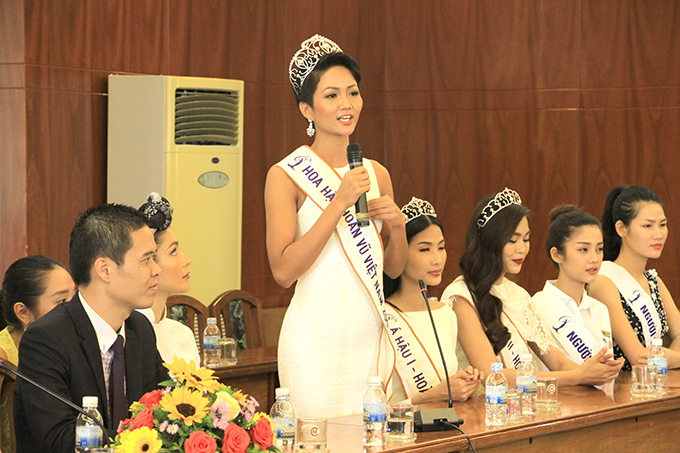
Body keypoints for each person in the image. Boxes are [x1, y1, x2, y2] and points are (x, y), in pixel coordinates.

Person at [266, 35, 407, 417]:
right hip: (313, 345)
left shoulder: (375, 172)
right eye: (332, 96)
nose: (346, 105)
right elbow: (282, 271)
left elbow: (393, 270)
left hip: (368, 340)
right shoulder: (286, 175)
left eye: (353, 93)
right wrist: (338, 204)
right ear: (307, 109)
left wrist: (398, 228)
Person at [14, 204, 170, 453]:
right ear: (104, 269)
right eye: (147, 259)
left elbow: (166, 401)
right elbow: (59, 437)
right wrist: (139, 443)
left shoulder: (139, 328)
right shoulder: (46, 339)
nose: (156, 270)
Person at [442, 188, 622, 387]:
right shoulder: (462, 296)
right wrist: (577, 376)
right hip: (487, 411)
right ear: (489, 240)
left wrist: (592, 371)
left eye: (526, 239)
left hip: (523, 408)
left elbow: (557, 362)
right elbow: (492, 376)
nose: (522, 248)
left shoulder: (520, 296)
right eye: (512, 240)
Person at [382, 197, 482, 404]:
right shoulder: (382, 318)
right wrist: (436, 395)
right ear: (399, 252)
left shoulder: (445, 313)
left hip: (445, 429)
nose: (437, 259)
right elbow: (374, 407)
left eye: (441, 247)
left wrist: (464, 383)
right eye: (425, 249)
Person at [589, 186, 680, 371]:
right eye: (647, 226)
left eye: (662, 224)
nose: (659, 234)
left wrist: (670, 358)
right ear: (622, 228)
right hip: (620, 392)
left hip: (655, 387)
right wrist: (674, 360)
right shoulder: (604, 280)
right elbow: (640, 359)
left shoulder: (654, 281)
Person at [532, 206, 613, 364]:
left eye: (599, 249)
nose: (594, 258)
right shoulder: (539, 305)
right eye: (583, 249)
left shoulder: (600, 309)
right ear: (557, 255)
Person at [137, 192, 201, 365]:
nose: (187, 260)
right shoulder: (127, 335)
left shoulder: (183, 334)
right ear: (149, 262)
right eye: (173, 252)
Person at [0, 255, 75, 365]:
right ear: (23, 312)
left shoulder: (80, 341)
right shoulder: (3, 359)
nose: (75, 307)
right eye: (62, 301)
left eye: (76, 295)